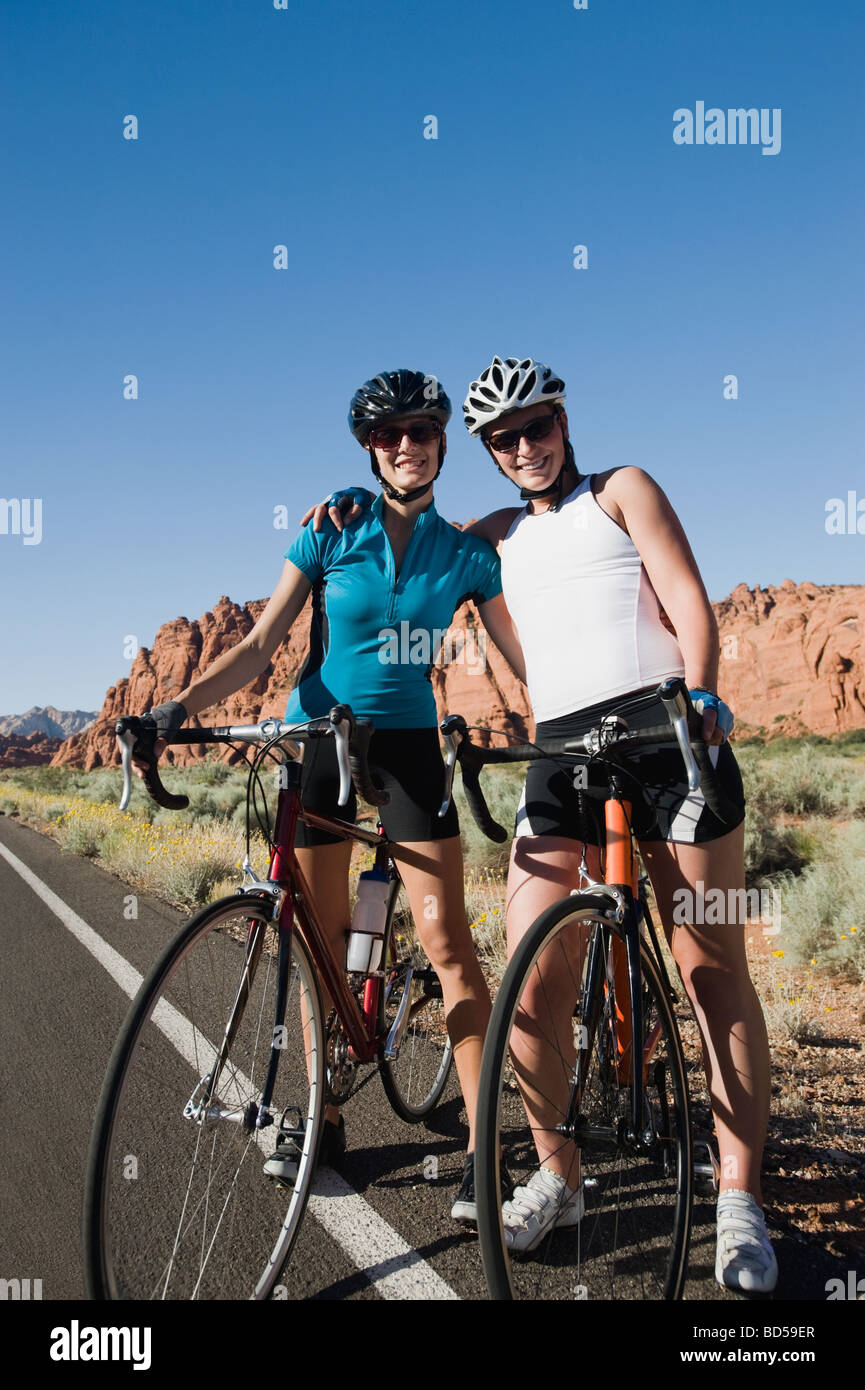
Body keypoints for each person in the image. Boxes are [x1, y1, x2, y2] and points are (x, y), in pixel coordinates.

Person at [305, 354, 777, 1294]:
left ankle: (737, 1202)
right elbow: (412, 535)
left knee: (709, 967)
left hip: (661, 728)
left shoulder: (622, 490)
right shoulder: (488, 536)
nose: (525, 446)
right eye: (504, 438)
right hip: (558, 753)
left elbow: (685, 595)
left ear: (563, 421)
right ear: (483, 450)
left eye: (537, 427)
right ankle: (557, 1172)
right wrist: (345, 506)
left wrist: (704, 692)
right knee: (528, 972)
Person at [124, 368, 526, 1227]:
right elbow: (263, 644)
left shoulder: (465, 555)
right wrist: (173, 708)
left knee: (448, 943)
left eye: (421, 430)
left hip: (411, 749)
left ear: (443, 441)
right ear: (368, 450)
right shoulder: (332, 528)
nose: (407, 445)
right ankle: (325, 1118)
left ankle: (481, 1151)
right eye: (389, 436)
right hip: (317, 740)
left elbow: (512, 659)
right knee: (318, 945)